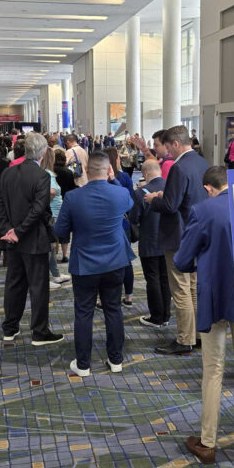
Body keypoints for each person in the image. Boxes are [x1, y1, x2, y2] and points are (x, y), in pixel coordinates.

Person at [176, 166, 234, 465]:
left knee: (213, 368)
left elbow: (183, 260)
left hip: (213, 298)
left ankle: (207, 442)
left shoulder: (202, 210)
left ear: (208, 187)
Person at [54, 151, 134, 376]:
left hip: (85, 264)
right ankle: (116, 360)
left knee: (84, 312)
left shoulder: (73, 197)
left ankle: (83, 365)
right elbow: (130, 203)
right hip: (115, 261)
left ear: (87, 171)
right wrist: (114, 178)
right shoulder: (120, 193)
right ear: (108, 170)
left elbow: (60, 231)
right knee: (113, 309)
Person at [0, 132, 64, 346]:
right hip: (33, 240)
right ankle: (39, 332)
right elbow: (38, 209)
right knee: (38, 287)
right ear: (43, 153)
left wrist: (8, 230)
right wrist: (19, 231)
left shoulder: (8, 173)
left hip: (12, 240)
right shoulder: (42, 176)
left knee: (14, 285)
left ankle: (10, 328)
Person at [145, 126, 209, 355]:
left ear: (174, 143)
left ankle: (184, 339)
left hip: (179, 236)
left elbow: (171, 206)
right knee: (193, 288)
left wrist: (153, 199)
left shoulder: (179, 167)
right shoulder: (203, 163)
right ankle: (198, 334)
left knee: (180, 289)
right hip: (199, 233)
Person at [129, 158, 171, 328]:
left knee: (152, 279)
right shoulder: (170, 187)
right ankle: (166, 315)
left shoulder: (140, 193)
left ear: (145, 173)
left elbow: (133, 218)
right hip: (169, 241)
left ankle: (156, 316)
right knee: (165, 279)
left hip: (149, 242)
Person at [105, 146, 134, 306]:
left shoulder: (101, 180)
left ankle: (107, 297)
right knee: (126, 260)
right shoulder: (124, 178)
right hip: (122, 224)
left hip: (106, 225)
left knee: (108, 262)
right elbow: (129, 201)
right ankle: (128, 295)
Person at [40, 146, 70, 286]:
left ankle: (56, 275)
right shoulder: (48, 174)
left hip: (53, 212)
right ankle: (46, 278)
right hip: (53, 213)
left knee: (51, 246)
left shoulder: (46, 173)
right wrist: (48, 202)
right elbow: (51, 192)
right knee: (49, 246)